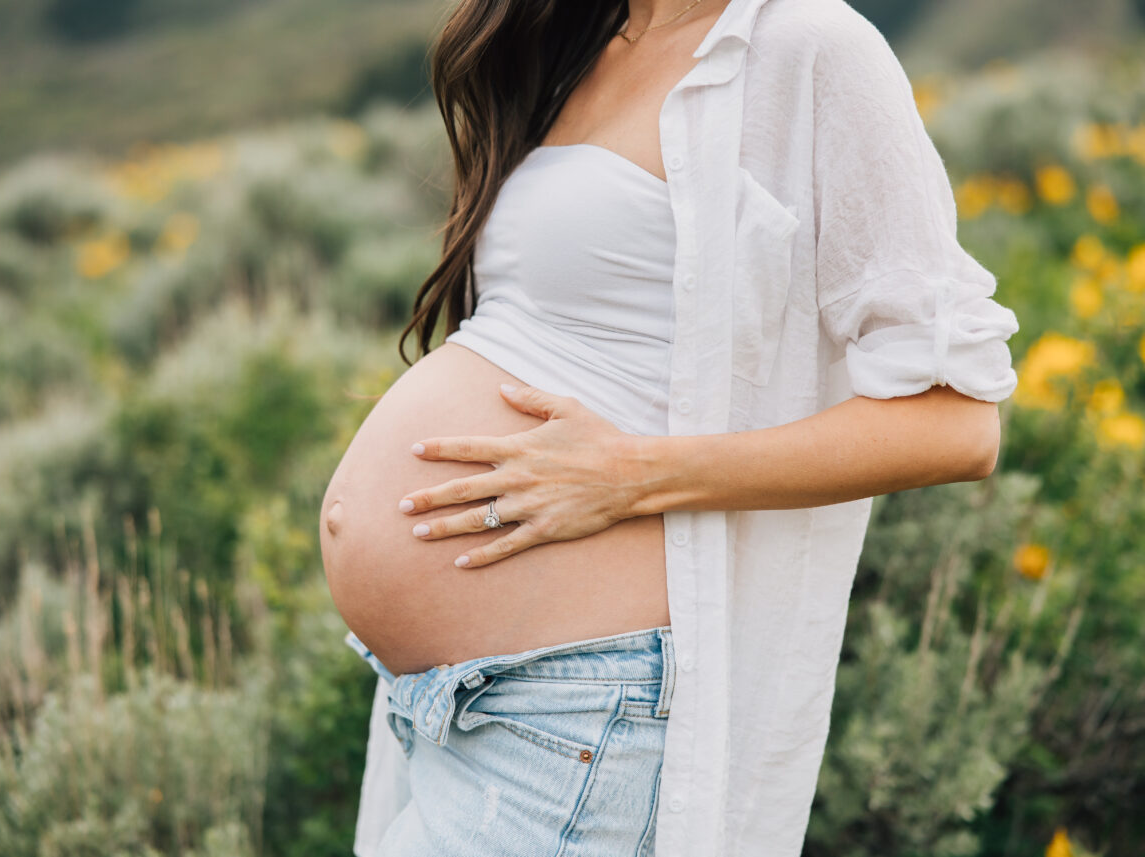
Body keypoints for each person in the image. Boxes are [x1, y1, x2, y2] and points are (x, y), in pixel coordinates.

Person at [343, 0, 1020, 855]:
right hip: (452, 702)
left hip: (577, 710)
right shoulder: (580, 40)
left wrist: (634, 473)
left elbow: (956, 425)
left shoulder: (811, 47)